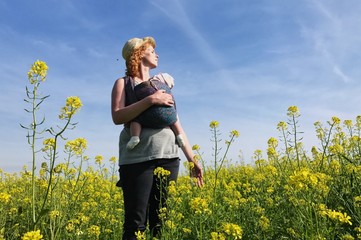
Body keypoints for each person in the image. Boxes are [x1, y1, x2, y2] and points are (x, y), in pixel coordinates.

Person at [111, 36, 203, 240]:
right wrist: (151, 100)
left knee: (160, 221)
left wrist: (192, 160)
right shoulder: (123, 83)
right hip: (137, 160)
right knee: (136, 224)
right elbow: (117, 116)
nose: (157, 54)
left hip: (168, 156)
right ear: (139, 53)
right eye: (152, 51)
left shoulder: (161, 83)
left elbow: (176, 122)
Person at [126, 72, 185, 150]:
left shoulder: (134, 83)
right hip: (167, 146)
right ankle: (179, 134)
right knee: (174, 119)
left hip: (162, 147)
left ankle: (135, 136)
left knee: (136, 119)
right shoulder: (164, 85)